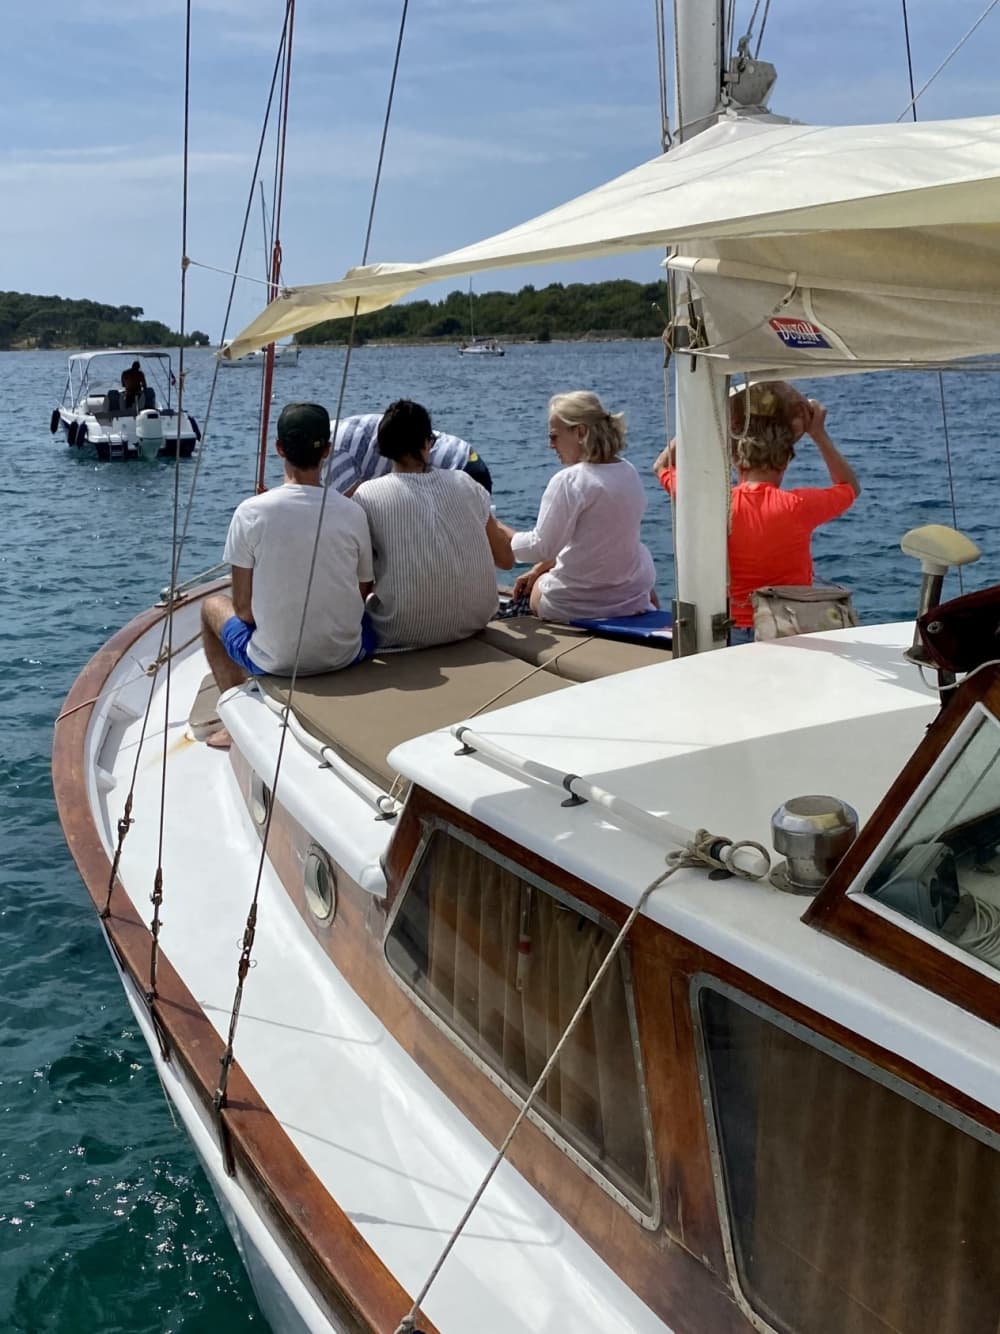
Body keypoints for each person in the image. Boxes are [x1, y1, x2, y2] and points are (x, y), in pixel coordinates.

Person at [200, 402, 375, 746]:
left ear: (280, 448)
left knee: (210, 608)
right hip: (345, 655)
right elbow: (363, 590)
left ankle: (235, 723)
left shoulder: (250, 512)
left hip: (277, 662)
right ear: (326, 451)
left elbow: (243, 610)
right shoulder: (353, 512)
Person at [652, 382, 860, 642]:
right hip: (789, 627)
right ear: (785, 460)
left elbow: (661, 466)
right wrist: (818, 433)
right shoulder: (798, 506)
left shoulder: (714, 504)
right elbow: (849, 487)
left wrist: (699, 421)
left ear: (736, 459)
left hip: (733, 629)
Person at [352, 400, 513, 649]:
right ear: (426, 444)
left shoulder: (367, 495)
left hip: (401, 629)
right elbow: (505, 559)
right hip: (477, 618)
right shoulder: (466, 482)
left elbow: (360, 577)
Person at [501, 391, 657, 623]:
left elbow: (540, 547)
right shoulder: (629, 472)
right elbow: (594, 544)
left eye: (554, 436)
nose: (550, 445)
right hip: (628, 601)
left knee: (537, 590)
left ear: (581, 432)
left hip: (578, 606)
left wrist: (497, 530)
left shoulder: (569, 481)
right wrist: (540, 568)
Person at [324, 412, 493, 495]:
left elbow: (352, 509)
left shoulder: (335, 451)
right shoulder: (336, 431)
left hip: (456, 470)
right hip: (464, 456)